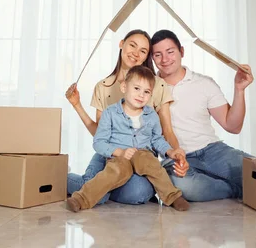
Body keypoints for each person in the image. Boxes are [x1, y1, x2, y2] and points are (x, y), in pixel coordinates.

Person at [65, 29, 188, 205]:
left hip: (143, 157)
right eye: (132, 45)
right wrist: (77, 105)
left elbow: (163, 134)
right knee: (102, 188)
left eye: (143, 51)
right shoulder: (104, 88)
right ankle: (75, 184)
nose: (136, 53)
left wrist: (174, 153)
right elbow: (100, 137)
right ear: (122, 44)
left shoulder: (156, 87)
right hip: (111, 153)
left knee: (139, 193)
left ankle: (101, 190)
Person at [150, 29, 254, 201]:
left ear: (181, 51)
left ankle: (228, 184)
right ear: (153, 59)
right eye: (158, 55)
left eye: (170, 52)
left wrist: (239, 90)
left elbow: (233, 126)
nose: (165, 59)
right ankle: (234, 190)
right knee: (183, 188)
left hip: (213, 151)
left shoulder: (204, 83)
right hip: (175, 157)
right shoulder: (148, 87)